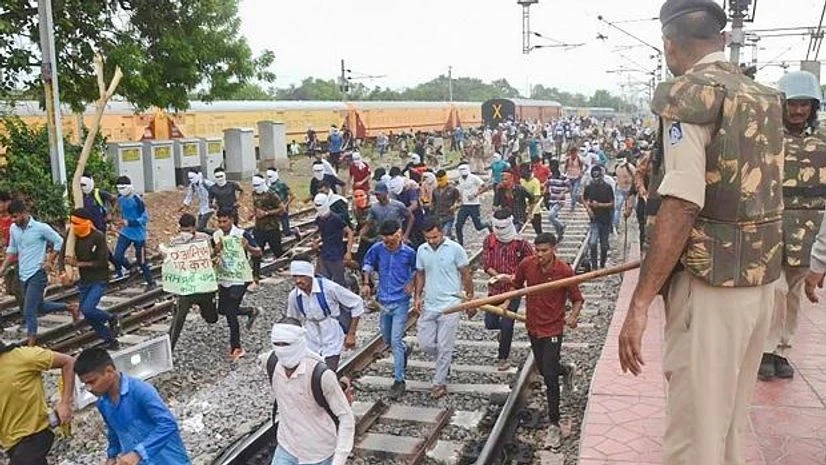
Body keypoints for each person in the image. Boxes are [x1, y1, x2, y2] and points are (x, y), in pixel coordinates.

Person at [617, 3, 784, 464]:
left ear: (670, 45)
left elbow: (683, 200)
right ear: (722, 40)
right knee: (727, 427)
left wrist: (640, 302)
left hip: (711, 288)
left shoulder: (688, 96)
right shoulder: (762, 97)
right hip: (761, 283)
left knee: (693, 437)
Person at [759, 70, 826, 381]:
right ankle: (766, 348)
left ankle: (782, 349)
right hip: (774, 223)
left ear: (814, 107)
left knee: (795, 291)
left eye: (805, 105)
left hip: (811, 227)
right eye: (792, 104)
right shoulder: (766, 137)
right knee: (775, 288)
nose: (798, 111)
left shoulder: (822, 140)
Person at [513, 232, 582, 448]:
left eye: (544, 251)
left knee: (549, 377)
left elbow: (577, 299)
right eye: (537, 250)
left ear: (554, 249)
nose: (540, 255)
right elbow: (516, 285)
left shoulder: (564, 271)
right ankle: (567, 370)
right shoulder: (527, 265)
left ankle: (554, 423)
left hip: (553, 329)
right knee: (544, 369)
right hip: (533, 326)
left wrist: (572, 316)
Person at [74, 347, 191, 465]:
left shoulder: (140, 391)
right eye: (85, 384)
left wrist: (138, 453)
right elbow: (114, 431)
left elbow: (168, 424)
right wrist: (112, 455)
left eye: (92, 382)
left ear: (109, 371)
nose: (89, 389)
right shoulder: (103, 403)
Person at [265, 324, 355, 465]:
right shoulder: (271, 364)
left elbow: (346, 417)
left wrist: (339, 459)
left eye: (287, 344)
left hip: (318, 454)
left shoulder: (321, 375)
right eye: (277, 344)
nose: (282, 350)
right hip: (286, 448)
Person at [0, 200, 79, 346]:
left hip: (37, 273)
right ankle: (70, 307)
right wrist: (2, 268)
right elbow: (12, 250)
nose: (14, 220)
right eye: (12, 217)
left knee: (29, 310)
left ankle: (31, 345)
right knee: (39, 306)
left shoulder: (40, 228)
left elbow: (59, 241)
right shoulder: (13, 229)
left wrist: (50, 260)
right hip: (23, 273)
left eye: (16, 216)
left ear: (24, 213)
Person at [413, 219, 475, 399]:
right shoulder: (421, 250)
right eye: (428, 238)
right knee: (426, 344)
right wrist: (417, 296)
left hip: (451, 305)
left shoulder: (455, 249)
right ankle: (444, 362)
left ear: (442, 232)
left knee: (444, 345)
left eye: (434, 237)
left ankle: (439, 383)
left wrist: (470, 299)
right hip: (430, 304)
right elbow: (420, 274)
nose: (431, 241)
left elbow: (465, 274)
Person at [361, 220, 417, 398]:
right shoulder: (377, 249)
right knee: (386, 338)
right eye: (385, 240)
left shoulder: (409, 253)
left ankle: (399, 380)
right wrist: (366, 281)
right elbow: (368, 262)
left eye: (391, 240)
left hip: (401, 300)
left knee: (394, 339)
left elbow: (417, 270)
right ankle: (404, 348)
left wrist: (411, 283)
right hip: (383, 301)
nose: (388, 243)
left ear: (398, 234)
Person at [0, 341, 75, 465]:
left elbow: (68, 362)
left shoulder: (23, 357)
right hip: (10, 444)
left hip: (36, 433)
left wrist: (65, 403)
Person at [285, 261, 363, 371]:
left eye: (302, 276)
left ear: (310, 275)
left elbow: (357, 302)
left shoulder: (328, 288)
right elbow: (292, 320)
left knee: (327, 371)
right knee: (311, 373)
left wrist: (351, 334)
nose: (298, 281)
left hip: (331, 335)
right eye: (295, 277)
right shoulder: (295, 296)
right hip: (311, 338)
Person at [61, 208, 121, 350]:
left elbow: (102, 262)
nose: (74, 226)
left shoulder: (97, 237)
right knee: (88, 315)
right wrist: (63, 271)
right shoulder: (72, 236)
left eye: (77, 223)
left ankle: (111, 317)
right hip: (85, 280)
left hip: (99, 278)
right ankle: (110, 339)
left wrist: (78, 264)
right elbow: (63, 253)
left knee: (88, 309)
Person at [482, 210, 534, 370]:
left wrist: (512, 278)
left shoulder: (521, 244)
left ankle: (503, 357)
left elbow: (530, 265)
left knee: (507, 323)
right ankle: (502, 335)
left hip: (514, 289)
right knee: (490, 322)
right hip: (495, 288)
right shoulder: (489, 240)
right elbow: (487, 265)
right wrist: (499, 276)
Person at [213, 208, 262, 360]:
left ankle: (237, 347)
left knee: (231, 313)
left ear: (232, 220)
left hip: (240, 278)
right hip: (225, 277)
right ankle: (250, 311)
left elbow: (258, 252)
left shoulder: (242, 234)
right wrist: (216, 250)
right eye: (219, 221)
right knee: (222, 309)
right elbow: (213, 255)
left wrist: (247, 246)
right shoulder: (216, 235)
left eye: (225, 221)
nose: (222, 224)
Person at [167, 214, 218, 350]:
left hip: (204, 285)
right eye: (183, 230)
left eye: (188, 230)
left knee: (211, 317)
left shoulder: (204, 238)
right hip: (186, 287)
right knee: (178, 319)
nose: (186, 234)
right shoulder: (174, 242)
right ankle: (169, 348)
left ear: (194, 228)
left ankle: (205, 310)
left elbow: (211, 255)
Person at [113, 176, 156, 289]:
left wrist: (130, 222)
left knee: (142, 261)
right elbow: (118, 212)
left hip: (139, 236)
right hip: (125, 233)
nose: (121, 190)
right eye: (119, 188)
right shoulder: (120, 199)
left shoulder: (137, 199)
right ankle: (130, 268)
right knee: (117, 256)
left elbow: (145, 218)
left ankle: (151, 282)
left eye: (123, 187)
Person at [79, 174, 120, 271]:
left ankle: (116, 265)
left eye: (84, 185)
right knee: (98, 247)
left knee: (101, 247)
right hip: (88, 227)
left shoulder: (98, 193)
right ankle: (113, 265)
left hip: (100, 225)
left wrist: (111, 214)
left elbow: (114, 199)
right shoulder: (80, 196)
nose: (82, 187)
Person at [250, 174, 285, 287]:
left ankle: (286, 263)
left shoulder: (271, 195)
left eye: (258, 185)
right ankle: (255, 275)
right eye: (254, 185)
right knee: (256, 252)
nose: (256, 188)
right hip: (259, 228)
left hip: (272, 228)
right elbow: (256, 206)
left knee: (277, 251)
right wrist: (253, 214)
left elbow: (282, 209)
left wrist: (266, 213)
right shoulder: (254, 194)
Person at [313, 193, 354, 286]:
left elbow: (350, 232)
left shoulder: (336, 219)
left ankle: (351, 284)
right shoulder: (319, 219)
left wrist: (348, 252)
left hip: (336, 254)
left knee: (339, 282)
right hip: (324, 253)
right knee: (323, 280)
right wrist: (317, 241)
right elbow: (324, 234)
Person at [582, 165, 614, 270]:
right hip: (594, 220)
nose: (596, 180)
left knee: (604, 246)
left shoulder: (607, 187)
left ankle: (602, 264)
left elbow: (612, 203)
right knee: (593, 243)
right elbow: (584, 198)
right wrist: (588, 209)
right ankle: (594, 266)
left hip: (606, 220)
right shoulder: (589, 186)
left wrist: (599, 205)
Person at [454, 162, 491, 246]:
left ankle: (488, 224)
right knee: (458, 225)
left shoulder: (474, 178)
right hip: (464, 206)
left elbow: (485, 186)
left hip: (474, 205)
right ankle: (461, 244)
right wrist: (459, 200)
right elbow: (461, 190)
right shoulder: (460, 179)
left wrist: (476, 194)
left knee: (478, 226)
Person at [0, 190, 22, 314]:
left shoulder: (15, 219)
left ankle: (28, 313)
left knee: (17, 289)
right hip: (4, 259)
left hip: (17, 258)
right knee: (11, 289)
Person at [266, 168, 297, 238]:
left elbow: (292, 195)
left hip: (283, 207)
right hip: (274, 209)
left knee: (285, 225)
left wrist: (285, 205)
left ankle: (290, 232)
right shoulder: (268, 186)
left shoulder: (282, 184)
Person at [430, 170, 461, 239]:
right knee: (440, 235)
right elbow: (433, 202)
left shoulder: (453, 189)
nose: (440, 182)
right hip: (438, 217)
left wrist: (455, 206)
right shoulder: (435, 190)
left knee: (445, 234)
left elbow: (459, 201)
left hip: (448, 216)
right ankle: (452, 240)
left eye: (441, 180)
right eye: (438, 180)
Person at [545, 159, 569, 241]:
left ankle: (562, 226)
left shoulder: (563, 177)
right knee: (554, 219)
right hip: (552, 200)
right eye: (550, 166)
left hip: (559, 201)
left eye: (553, 166)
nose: (551, 168)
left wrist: (563, 192)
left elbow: (569, 187)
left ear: (557, 167)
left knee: (550, 216)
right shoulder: (550, 177)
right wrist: (545, 192)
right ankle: (560, 235)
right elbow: (547, 185)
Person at [520, 164, 544, 234]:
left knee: (538, 229)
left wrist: (530, 212)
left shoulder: (535, 182)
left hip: (534, 210)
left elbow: (536, 198)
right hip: (524, 209)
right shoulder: (522, 180)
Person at [563, 145, 584, 212]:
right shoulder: (568, 159)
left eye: (575, 153)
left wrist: (581, 173)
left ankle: (573, 206)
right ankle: (573, 202)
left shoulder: (579, 159)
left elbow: (582, 167)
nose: (574, 154)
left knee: (574, 192)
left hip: (577, 177)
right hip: (570, 177)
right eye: (573, 153)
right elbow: (565, 167)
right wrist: (564, 174)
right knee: (572, 192)